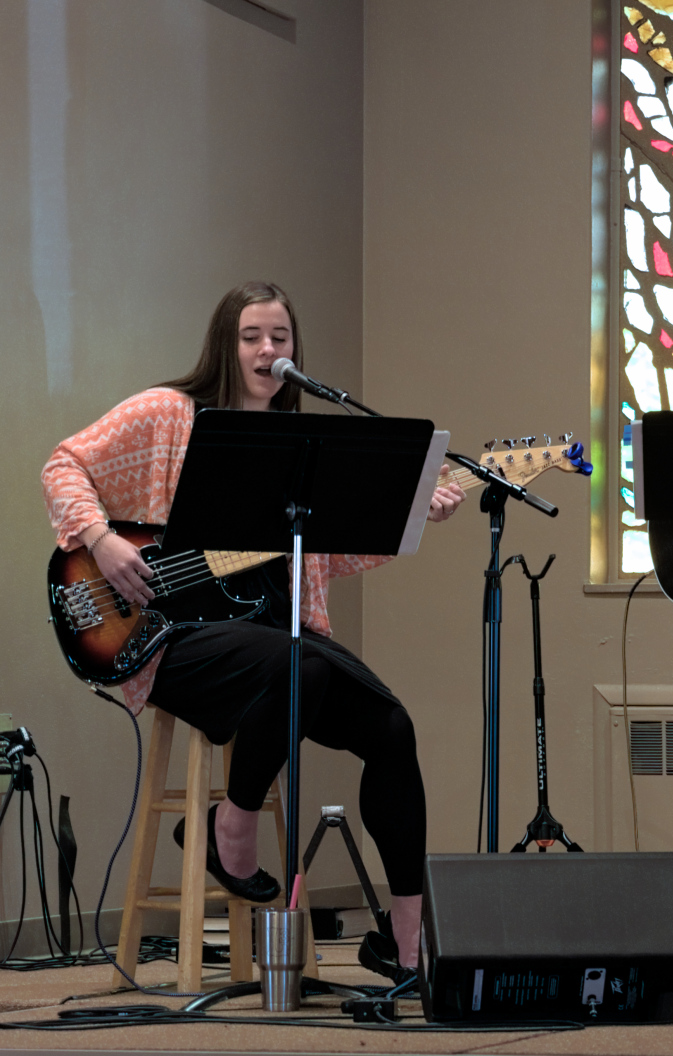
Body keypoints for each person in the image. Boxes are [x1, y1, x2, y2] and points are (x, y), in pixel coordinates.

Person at [41, 281, 466, 981]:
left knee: (392, 728)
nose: (268, 350)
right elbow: (65, 465)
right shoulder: (168, 413)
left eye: (280, 337)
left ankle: (406, 938)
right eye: (252, 337)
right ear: (225, 345)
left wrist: (414, 509)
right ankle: (228, 828)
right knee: (304, 664)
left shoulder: (303, 446)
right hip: (170, 635)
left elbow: (335, 547)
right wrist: (102, 541)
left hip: (274, 643)